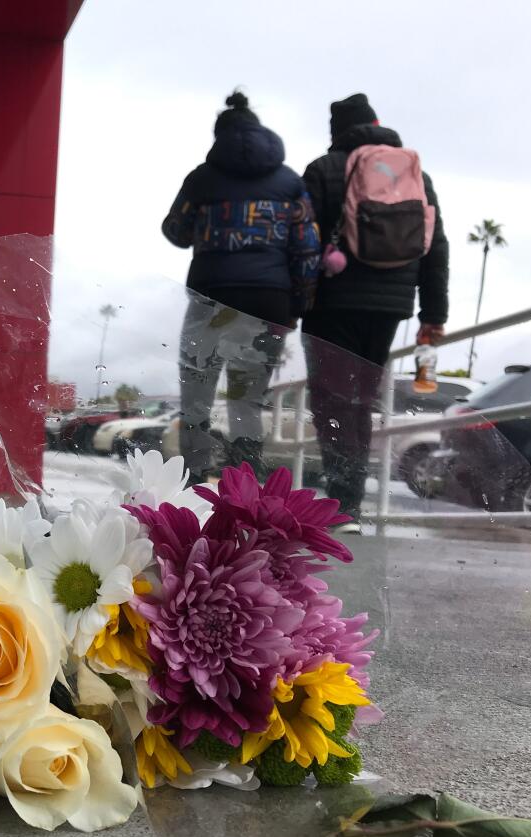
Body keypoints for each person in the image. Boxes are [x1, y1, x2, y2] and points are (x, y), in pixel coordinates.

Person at [301, 93, 449, 529]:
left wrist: (294, 303)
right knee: (360, 402)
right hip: (391, 306)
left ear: (337, 132)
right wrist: (432, 313)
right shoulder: (413, 172)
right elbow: (435, 245)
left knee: (331, 402)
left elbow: (302, 239)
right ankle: (351, 504)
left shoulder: (325, 169)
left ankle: (342, 504)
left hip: (333, 301)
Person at [162, 92, 321, 480]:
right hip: (268, 302)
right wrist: (295, 307)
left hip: (211, 297)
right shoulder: (290, 183)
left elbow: (175, 230)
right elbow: (308, 249)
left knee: (196, 400)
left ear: (220, 136)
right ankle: (245, 491)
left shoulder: (202, 178)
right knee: (246, 403)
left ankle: (192, 485)